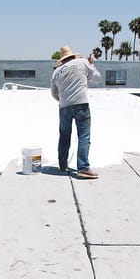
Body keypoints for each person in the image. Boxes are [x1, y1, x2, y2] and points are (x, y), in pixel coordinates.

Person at [51, 46, 101, 179]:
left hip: (64, 107)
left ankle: (62, 164)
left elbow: (54, 93)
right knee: (84, 136)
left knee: (64, 136)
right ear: (72, 56)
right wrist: (92, 65)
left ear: (62, 59)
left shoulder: (56, 72)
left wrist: (64, 101)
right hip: (81, 104)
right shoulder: (83, 62)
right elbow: (96, 78)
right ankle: (83, 168)